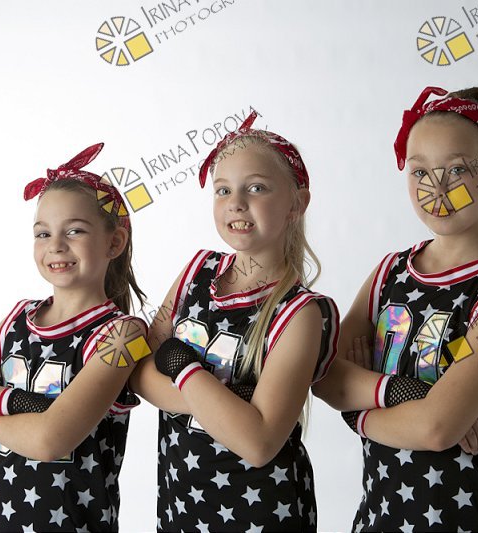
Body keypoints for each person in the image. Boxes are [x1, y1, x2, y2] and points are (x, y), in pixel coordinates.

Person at [313, 86, 478, 532]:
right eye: (420, 171)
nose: (436, 189)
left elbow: (437, 429)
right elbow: (324, 375)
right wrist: (411, 395)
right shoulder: (389, 273)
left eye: (457, 169)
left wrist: (356, 410)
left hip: (466, 515)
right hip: (380, 513)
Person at [131, 111, 339, 532]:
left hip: (262, 514)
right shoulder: (196, 272)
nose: (236, 202)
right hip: (181, 510)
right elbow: (137, 370)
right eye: (223, 190)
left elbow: (258, 442)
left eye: (256, 188)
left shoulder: (300, 312)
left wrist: (178, 363)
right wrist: (229, 404)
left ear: (297, 204)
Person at [0, 143, 149, 532]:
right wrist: (15, 402)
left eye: (75, 230)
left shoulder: (125, 334)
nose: (56, 245)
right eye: (43, 233)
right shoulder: (18, 317)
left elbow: (50, 440)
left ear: (114, 242)